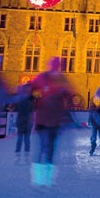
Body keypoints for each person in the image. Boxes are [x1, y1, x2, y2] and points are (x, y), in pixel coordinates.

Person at [30, 56, 74, 187]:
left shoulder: (61, 79)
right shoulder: (43, 78)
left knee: (49, 149)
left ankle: (46, 179)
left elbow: (70, 95)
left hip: (53, 120)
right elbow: (32, 90)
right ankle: (40, 179)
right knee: (45, 148)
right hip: (44, 119)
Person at [13, 82, 35, 165]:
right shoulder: (25, 99)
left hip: (26, 121)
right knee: (22, 139)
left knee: (25, 139)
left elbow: (31, 110)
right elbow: (19, 109)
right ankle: (19, 157)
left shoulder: (28, 99)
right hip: (23, 121)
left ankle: (23, 157)